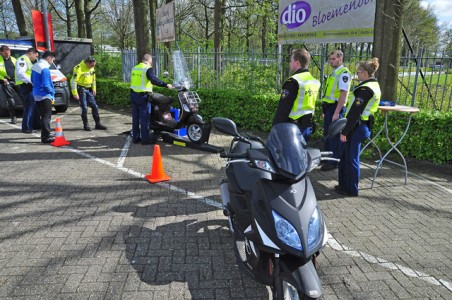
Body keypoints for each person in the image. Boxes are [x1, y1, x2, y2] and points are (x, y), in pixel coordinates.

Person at [336, 58, 381, 197]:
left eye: (359, 72)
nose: (357, 74)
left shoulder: (365, 90)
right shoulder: (374, 85)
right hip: (362, 126)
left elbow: (355, 112)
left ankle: (351, 189)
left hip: (356, 127)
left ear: (366, 73)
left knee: (351, 158)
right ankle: (344, 185)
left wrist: (345, 131)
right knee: (347, 157)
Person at [272, 49, 320, 141]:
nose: (289, 63)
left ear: (297, 63)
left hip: (293, 128)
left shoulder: (294, 81)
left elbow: (284, 108)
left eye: (291, 61)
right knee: (302, 153)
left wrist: (275, 127)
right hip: (307, 127)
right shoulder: (314, 81)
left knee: (289, 154)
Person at [130, 54, 173, 145]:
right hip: (143, 97)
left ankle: (135, 138)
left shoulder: (135, 68)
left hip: (133, 95)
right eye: (151, 62)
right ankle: (145, 140)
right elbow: (153, 80)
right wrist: (165, 84)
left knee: (135, 118)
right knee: (144, 119)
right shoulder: (147, 68)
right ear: (149, 61)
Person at [320, 50, 351, 171]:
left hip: (336, 108)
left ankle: (333, 161)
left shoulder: (343, 74)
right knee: (328, 134)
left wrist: (337, 112)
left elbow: (343, 94)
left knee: (334, 135)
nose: (331, 61)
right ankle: (327, 158)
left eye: (333, 59)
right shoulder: (334, 73)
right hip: (329, 108)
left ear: (340, 59)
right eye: (330, 59)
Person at [71, 56, 107, 131]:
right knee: (84, 107)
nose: (93, 67)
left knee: (95, 106)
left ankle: (98, 123)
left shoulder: (91, 67)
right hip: (81, 89)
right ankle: (86, 124)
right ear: (87, 63)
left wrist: (94, 88)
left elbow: (93, 79)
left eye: (94, 65)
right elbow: (73, 81)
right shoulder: (78, 68)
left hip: (89, 89)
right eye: (92, 65)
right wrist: (75, 93)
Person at [31, 51, 56, 144]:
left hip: (36, 94)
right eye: (53, 59)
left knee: (43, 115)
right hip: (44, 95)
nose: (53, 62)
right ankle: (45, 137)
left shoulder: (35, 65)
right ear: (49, 58)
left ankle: (46, 133)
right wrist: (52, 92)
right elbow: (46, 84)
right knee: (46, 116)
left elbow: (32, 80)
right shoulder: (44, 68)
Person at [16, 48, 40, 133]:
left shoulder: (28, 61)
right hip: (26, 85)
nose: (36, 58)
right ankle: (27, 127)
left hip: (29, 85)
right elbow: (20, 73)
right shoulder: (22, 60)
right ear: (31, 53)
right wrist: (31, 81)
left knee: (33, 106)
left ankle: (34, 125)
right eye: (35, 56)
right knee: (29, 107)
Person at [0, 45, 23, 124]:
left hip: (17, 81)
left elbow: (19, 69)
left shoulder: (13, 59)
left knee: (24, 97)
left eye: (8, 52)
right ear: (1, 52)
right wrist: (2, 79)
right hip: (6, 82)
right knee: (10, 100)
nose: (7, 54)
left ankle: (29, 114)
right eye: (5, 53)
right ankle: (13, 117)